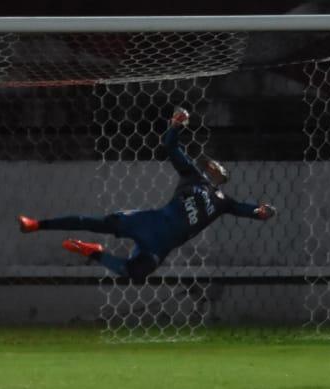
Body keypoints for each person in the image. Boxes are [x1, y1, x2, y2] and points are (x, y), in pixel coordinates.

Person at [18, 108, 275, 283]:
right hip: (149, 222)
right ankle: (37, 224)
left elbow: (246, 209)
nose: (213, 167)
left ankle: (93, 252)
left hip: (160, 246)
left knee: (136, 274)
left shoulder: (223, 202)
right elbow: (170, 146)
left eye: (218, 167)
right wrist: (176, 126)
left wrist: (261, 212)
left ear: (223, 176)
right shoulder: (193, 176)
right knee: (96, 223)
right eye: (212, 165)